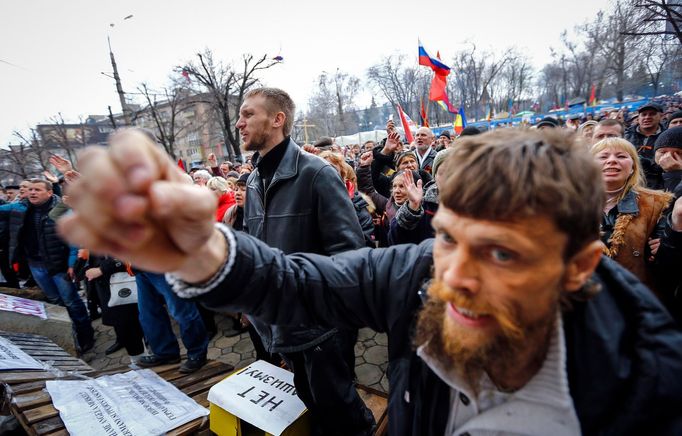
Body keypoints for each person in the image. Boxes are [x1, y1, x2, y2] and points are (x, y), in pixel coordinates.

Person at [60, 127, 682, 435]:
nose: (454, 277)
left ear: (580, 264)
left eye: (502, 255)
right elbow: (299, 282)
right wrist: (200, 250)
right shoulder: (418, 274)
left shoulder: (652, 388)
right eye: (447, 235)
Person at [236, 87, 375, 435]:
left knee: (340, 407)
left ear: (278, 119)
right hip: (281, 324)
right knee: (310, 399)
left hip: (321, 327)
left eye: (248, 114)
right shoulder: (253, 181)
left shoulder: (316, 173)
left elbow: (350, 255)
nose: (239, 122)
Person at [1, 179, 94, 353]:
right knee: (55, 302)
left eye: (37, 189)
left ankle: (86, 335)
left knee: (71, 301)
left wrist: (72, 264)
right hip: (35, 265)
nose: (32, 193)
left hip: (59, 265)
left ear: (50, 193)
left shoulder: (61, 210)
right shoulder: (20, 207)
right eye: (30, 190)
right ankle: (70, 335)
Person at [590, 138, 677, 299]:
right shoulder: (567, 205)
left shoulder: (657, 203)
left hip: (640, 302)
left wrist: (667, 244)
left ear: (633, 167)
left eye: (621, 156)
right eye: (603, 157)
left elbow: (664, 262)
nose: (612, 161)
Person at [626, 102, 666, 189]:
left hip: (659, 186)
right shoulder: (626, 136)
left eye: (652, 114)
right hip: (629, 185)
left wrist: (647, 163)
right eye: (643, 115)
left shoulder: (668, 136)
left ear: (661, 116)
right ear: (638, 118)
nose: (647, 117)